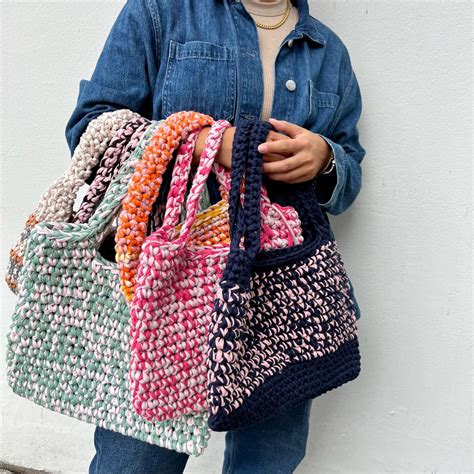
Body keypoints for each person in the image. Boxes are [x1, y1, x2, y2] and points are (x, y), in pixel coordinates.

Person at [65, 0, 366, 472]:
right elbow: (93, 129)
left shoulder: (329, 52)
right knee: (136, 458)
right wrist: (198, 143)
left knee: (269, 458)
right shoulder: (161, 13)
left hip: (284, 289)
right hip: (166, 280)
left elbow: (348, 170)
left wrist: (326, 159)